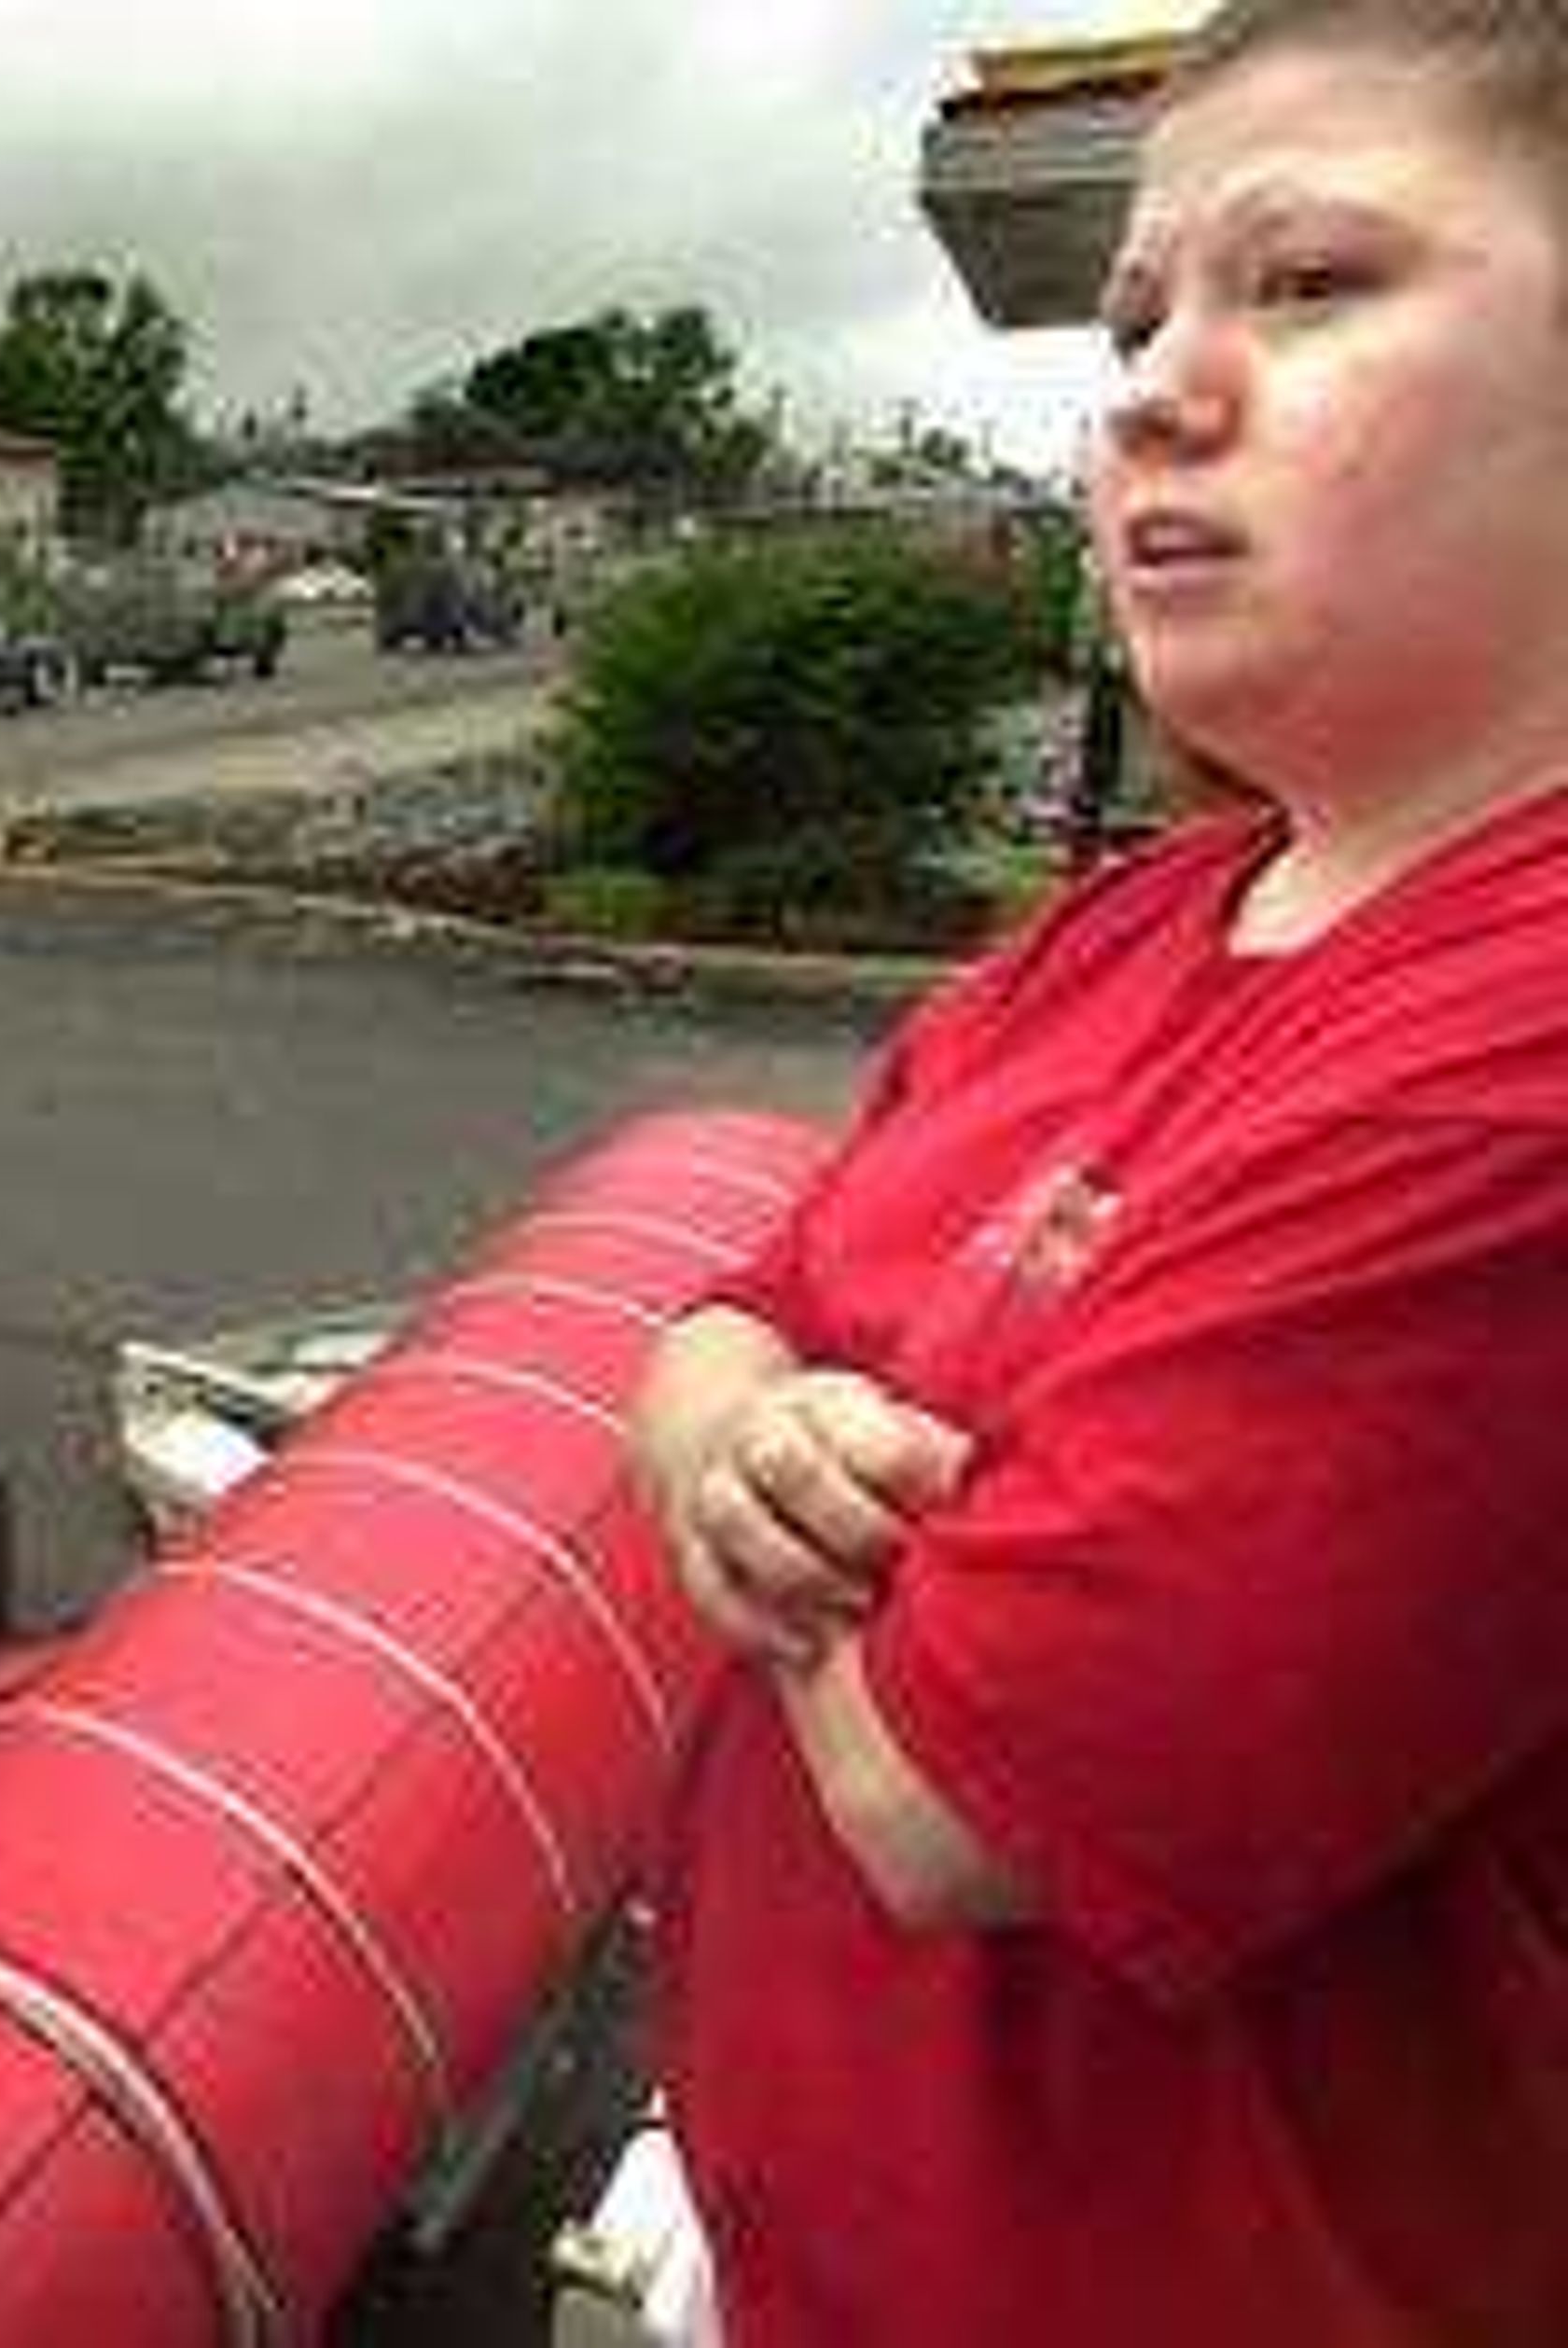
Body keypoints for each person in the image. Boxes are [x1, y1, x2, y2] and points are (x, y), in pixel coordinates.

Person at [631, 4, 1568, 2340]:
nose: (1154, 385)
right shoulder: (1140, 920)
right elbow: (724, 1311)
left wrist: (725, 1456)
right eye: (1139, 313)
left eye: (1316, 282)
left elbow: (949, 1793)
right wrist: (732, 1425)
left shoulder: (1527, 1034)